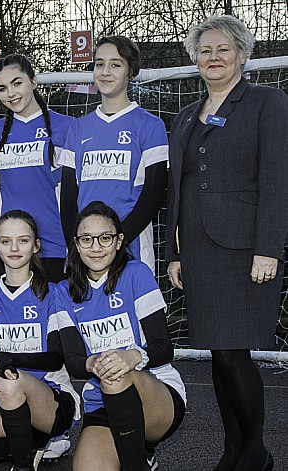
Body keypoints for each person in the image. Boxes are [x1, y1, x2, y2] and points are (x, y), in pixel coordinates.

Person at [167, 15, 288, 471]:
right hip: (197, 250)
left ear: (241, 53)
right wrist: (175, 254)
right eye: (205, 51)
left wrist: (269, 248)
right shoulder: (183, 116)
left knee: (234, 353)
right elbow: (177, 190)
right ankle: (232, 450)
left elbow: (277, 180)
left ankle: (255, 452)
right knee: (218, 353)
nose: (213, 58)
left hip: (243, 250)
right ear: (195, 59)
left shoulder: (266, 102)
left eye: (222, 49)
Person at [56, 201, 186, 471]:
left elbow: (164, 347)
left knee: (115, 372)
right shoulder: (64, 292)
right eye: (87, 239)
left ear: (119, 241)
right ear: (76, 244)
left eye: (105, 238)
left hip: (156, 392)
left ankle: (137, 458)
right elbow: (73, 360)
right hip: (100, 402)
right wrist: (91, 364)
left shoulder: (136, 274)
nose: (96, 247)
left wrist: (133, 356)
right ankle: (139, 451)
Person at [0, 210, 80, 471]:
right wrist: (0, 362)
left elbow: (56, 357)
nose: (14, 248)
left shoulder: (53, 293)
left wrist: (10, 360)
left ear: (36, 246)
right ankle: (30, 445)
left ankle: (24, 464)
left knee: (8, 379)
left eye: (23, 240)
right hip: (5, 403)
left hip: (52, 401)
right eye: (6, 241)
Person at [60, 36, 168, 272]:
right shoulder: (78, 129)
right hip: (86, 252)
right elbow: (68, 197)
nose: (105, 72)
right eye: (99, 64)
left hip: (131, 248)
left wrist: (117, 242)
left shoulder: (150, 125)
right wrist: (78, 244)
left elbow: (154, 195)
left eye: (115, 64)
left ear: (131, 71)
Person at [0, 54, 74, 285]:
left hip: (57, 247)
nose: (11, 93)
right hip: (12, 250)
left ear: (33, 81)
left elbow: (76, 194)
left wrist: (75, 246)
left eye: (17, 83)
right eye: (2, 88)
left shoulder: (67, 127)